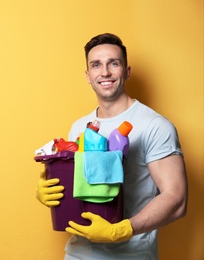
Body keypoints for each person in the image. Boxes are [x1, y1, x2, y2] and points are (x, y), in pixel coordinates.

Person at [36, 33, 188, 259]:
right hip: (77, 253)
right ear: (88, 75)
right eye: (96, 65)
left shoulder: (154, 126)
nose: (104, 72)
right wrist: (49, 189)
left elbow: (176, 199)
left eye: (113, 63)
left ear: (126, 71)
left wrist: (121, 230)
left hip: (130, 255)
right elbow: (81, 190)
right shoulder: (79, 127)